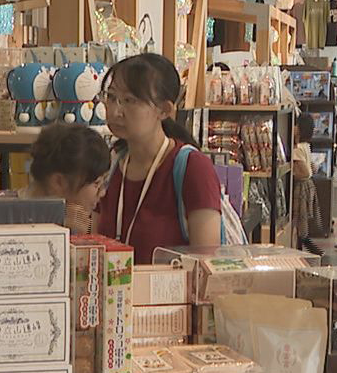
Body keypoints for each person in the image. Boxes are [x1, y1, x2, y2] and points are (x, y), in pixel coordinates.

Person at [94, 53, 222, 263]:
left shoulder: (193, 167)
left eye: (130, 100)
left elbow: (206, 265)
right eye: (111, 97)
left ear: (164, 110)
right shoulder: (110, 164)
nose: (116, 111)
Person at [28, 122, 112, 235]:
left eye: (103, 182)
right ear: (58, 182)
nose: (102, 193)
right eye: (96, 183)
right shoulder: (17, 222)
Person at [290, 113, 323, 254]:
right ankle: (308, 247)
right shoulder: (306, 146)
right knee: (304, 221)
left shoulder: (297, 149)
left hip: (301, 188)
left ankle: (306, 248)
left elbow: (303, 172)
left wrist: (292, 173)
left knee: (299, 219)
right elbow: (311, 168)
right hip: (309, 186)